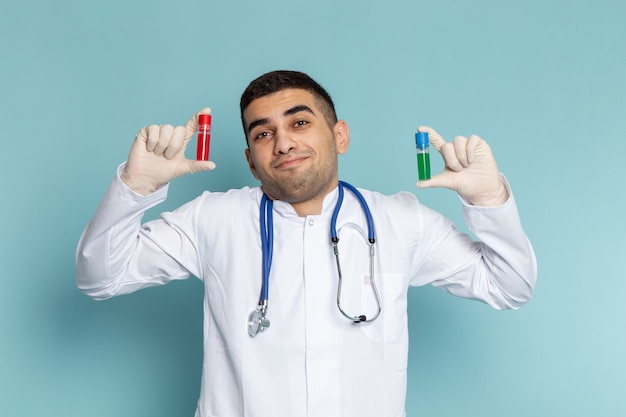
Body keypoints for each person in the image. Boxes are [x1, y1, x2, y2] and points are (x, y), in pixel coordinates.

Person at [76, 70, 537, 417]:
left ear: (339, 136)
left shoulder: (400, 221)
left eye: (299, 123)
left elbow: (510, 286)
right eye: (262, 133)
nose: (282, 143)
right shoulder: (212, 218)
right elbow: (100, 277)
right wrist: (135, 187)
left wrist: (489, 198)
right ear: (251, 162)